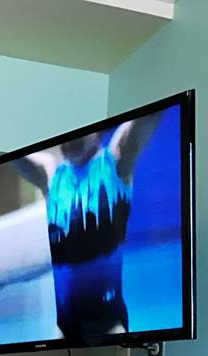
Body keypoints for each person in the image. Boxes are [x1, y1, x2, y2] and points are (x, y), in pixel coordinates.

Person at [17, 113, 161, 341]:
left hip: (109, 326)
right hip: (65, 330)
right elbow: (10, 150)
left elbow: (146, 118)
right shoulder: (51, 175)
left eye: (77, 134)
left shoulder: (115, 162)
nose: (68, 141)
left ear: (100, 131)